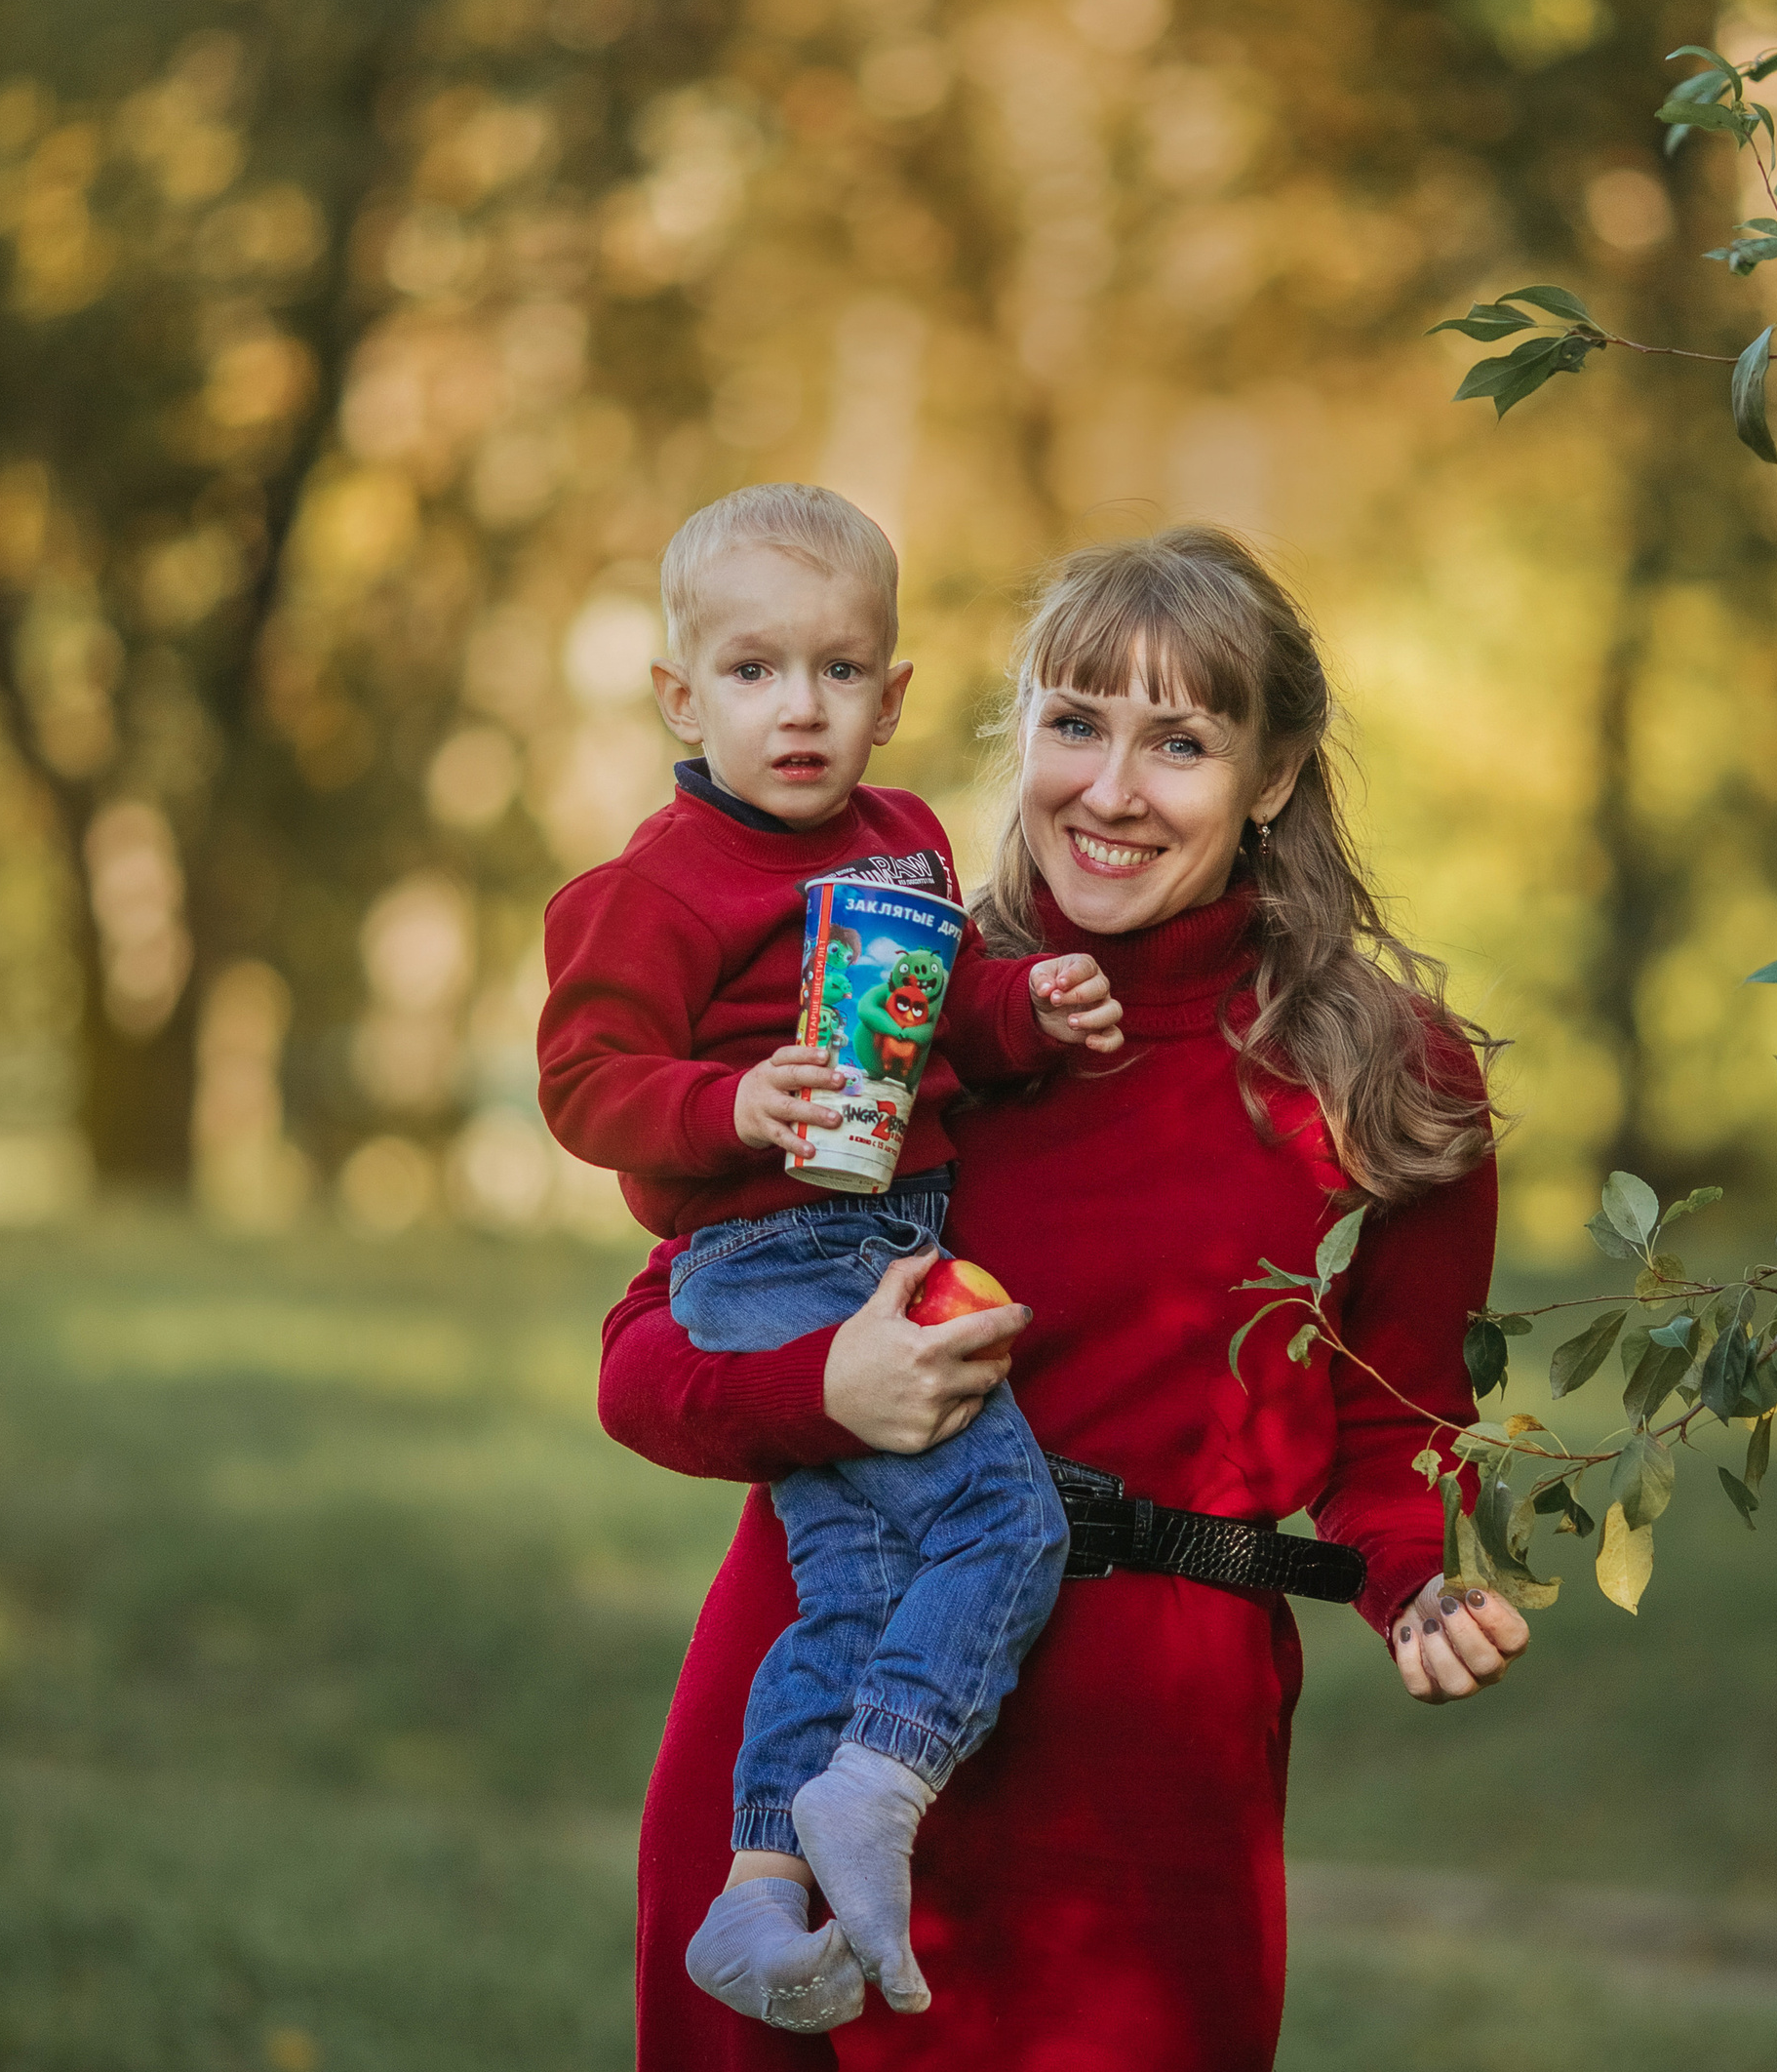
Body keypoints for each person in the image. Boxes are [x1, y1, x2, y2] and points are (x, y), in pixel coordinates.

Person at [600, 526, 1531, 2071]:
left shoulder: (1384, 1072)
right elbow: (651, 1354)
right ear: (1019, 733)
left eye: (1181, 741)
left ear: (1276, 771)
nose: (1110, 790)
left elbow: (1399, 1429)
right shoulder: (910, 996)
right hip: (809, 1694)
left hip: (1141, 1746)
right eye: (1075, 724)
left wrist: (1412, 1578)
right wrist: (825, 1392)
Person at [540, 484, 1124, 2032]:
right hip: (767, 1248)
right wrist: (725, 1101)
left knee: (854, 1585)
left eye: (839, 671)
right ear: (682, 693)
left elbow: (944, 1027)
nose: (798, 708)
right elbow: (587, 1084)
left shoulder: (912, 842)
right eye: (751, 671)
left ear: (892, 694)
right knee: (1005, 1523)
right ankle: (884, 1776)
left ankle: (756, 1891)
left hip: (892, 1230)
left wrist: (1027, 1014)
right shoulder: (658, 886)